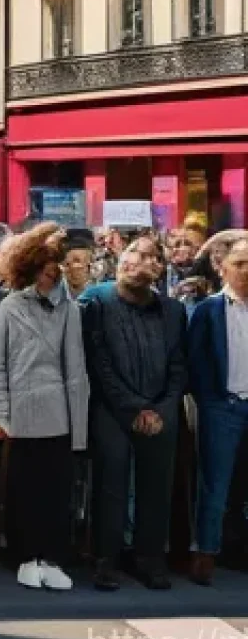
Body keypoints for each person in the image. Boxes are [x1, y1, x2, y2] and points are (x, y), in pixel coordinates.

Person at [0, 223, 89, 592]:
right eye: (45, 262)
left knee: (57, 491)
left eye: (56, 263)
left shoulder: (70, 310)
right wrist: (4, 414)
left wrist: (78, 430)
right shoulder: (11, 306)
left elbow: (76, 371)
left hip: (58, 412)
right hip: (20, 413)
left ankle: (52, 557)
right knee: (23, 491)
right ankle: (25, 556)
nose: (52, 269)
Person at [82, 249, 186, 592]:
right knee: (111, 484)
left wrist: (162, 409)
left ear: (158, 268)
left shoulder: (173, 311)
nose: (134, 261)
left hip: (160, 411)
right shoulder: (99, 304)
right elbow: (99, 364)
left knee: (156, 486)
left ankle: (149, 559)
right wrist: (134, 408)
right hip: (113, 409)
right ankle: (106, 559)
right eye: (131, 254)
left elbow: (178, 367)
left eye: (147, 257)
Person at [188, 240, 248, 586]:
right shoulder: (209, 309)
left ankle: (239, 549)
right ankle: (206, 552)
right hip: (221, 406)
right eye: (239, 263)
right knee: (215, 483)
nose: (245, 270)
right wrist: (210, 399)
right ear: (222, 267)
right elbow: (195, 360)